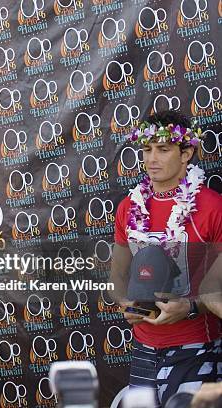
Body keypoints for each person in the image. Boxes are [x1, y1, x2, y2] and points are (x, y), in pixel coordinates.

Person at [110, 110, 221, 406]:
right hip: (143, 349)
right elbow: (118, 274)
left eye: (163, 149)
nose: (151, 159)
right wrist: (127, 305)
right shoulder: (127, 208)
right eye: (146, 150)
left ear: (187, 153)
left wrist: (191, 307)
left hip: (197, 349)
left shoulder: (213, 207)